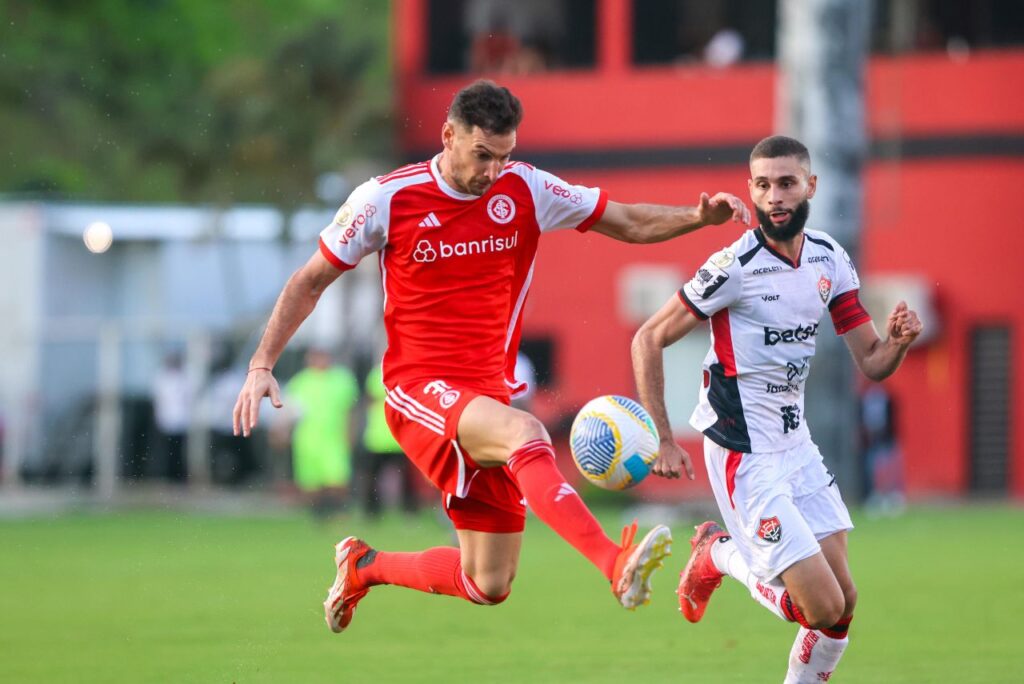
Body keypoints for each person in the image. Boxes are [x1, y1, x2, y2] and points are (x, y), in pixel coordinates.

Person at [233, 79, 750, 634]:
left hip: (487, 397)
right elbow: (311, 280)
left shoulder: (525, 189)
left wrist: (697, 219)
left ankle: (364, 566)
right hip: (418, 391)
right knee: (526, 432)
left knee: (488, 583)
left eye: (504, 157)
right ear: (448, 135)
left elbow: (625, 221)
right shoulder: (384, 199)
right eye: (482, 155)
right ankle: (614, 562)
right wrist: (262, 362)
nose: (492, 172)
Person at [631, 135, 923, 683]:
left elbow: (872, 362)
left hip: (797, 446)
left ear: (810, 186)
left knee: (842, 607)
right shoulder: (732, 266)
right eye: (763, 185)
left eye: (787, 183)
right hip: (745, 454)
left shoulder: (829, 259)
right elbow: (646, 338)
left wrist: (898, 343)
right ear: (751, 191)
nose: (775, 197)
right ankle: (717, 553)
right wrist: (663, 439)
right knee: (818, 607)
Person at [282, 348, 360, 515]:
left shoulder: (342, 380)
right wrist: (283, 431)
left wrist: (350, 432)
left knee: (338, 478)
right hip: (307, 438)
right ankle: (318, 514)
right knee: (310, 481)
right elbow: (289, 411)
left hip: (334, 437)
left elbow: (350, 410)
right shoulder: (300, 382)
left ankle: (338, 511)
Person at [361, 365, 419, 518]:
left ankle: (409, 510)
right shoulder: (377, 374)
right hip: (378, 438)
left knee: (406, 478)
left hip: (398, 437)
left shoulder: (403, 372)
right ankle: (372, 511)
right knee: (373, 478)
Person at [152, 351, 192, 482]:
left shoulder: (184, 377)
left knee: (179, 451)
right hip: (166, 420)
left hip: (181, 421)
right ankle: (166, 475)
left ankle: (179, 477)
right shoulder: (162, 377)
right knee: (166, 451)